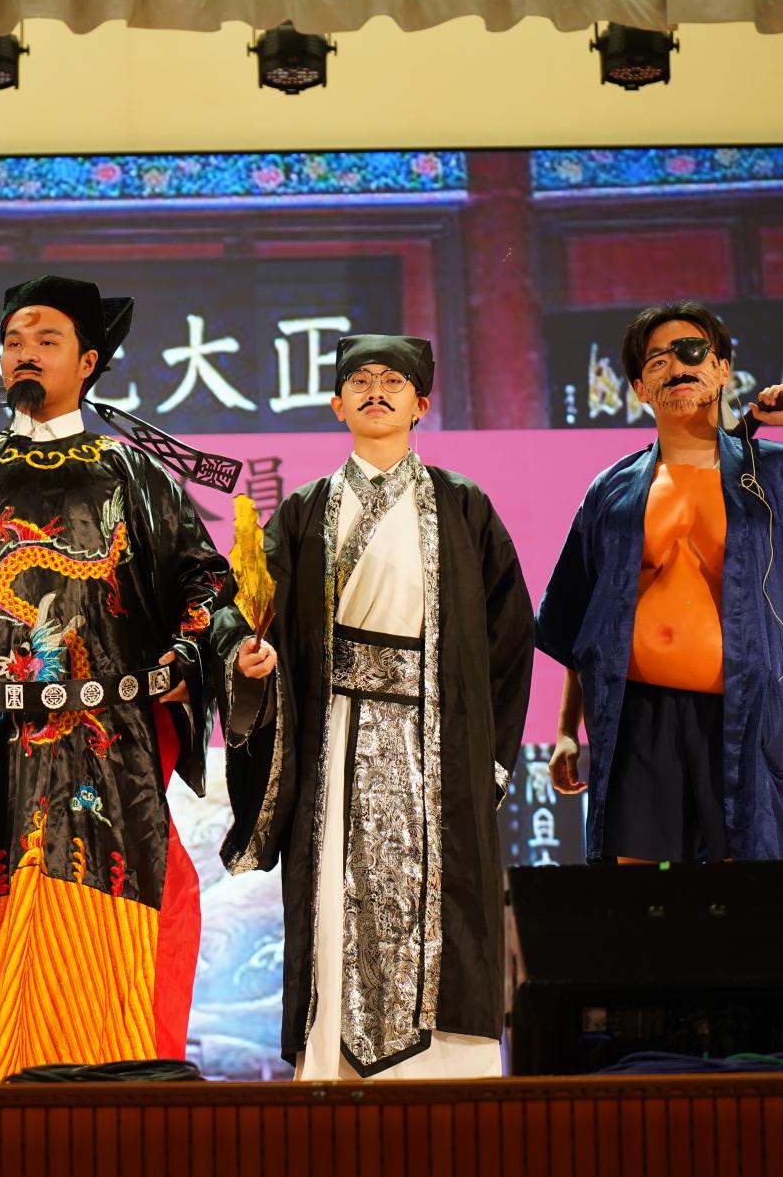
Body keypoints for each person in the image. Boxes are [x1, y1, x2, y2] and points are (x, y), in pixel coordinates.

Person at [0, 275, 272, 1084]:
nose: (25, 354)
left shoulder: (136, 478)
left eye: (46, 341)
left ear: (88, 361)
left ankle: (107, 1107)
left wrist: (210, 655)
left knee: (104, 920)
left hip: (105, 745)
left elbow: (202, 585)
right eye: (13, 341)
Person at [221, 334, 533, 1080]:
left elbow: (509, 635)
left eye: (394, 382)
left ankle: (449, 1074)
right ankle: (334, 1064)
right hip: (334, 736)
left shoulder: (463, 505)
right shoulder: (304, 511)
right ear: (336, 404)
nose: (376, 393)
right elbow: (243, 606)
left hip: (435, 741)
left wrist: (487, 758)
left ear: (421, 404)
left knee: (446, 911)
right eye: (359, 381)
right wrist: (244, 656)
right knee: (334, 897)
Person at [535, 301, 783, 863]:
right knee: (633, 893)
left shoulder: (781, 475)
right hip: (638, 714)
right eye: (657, 361)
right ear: (639, 388)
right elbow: (578, 619)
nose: (677, 368)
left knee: (746, 889)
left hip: (749, 716)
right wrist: (566, 730)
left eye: (692, 353)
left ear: (722, 368)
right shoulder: (612, 489)